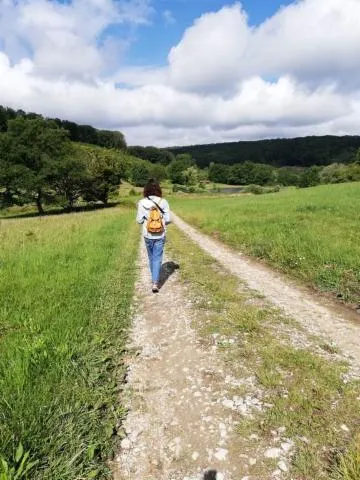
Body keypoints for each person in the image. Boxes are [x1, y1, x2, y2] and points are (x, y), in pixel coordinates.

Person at [136, 179, 171, 293]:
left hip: (147, 234)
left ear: (146, 190)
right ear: (158, 189)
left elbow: (139, 220)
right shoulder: (163, 202)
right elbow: (168, 219)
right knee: (157, 257)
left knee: (151, 257)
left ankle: (154, 279)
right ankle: (155, 282)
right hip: (160, 234)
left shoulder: (141, 202)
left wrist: (147, 218)